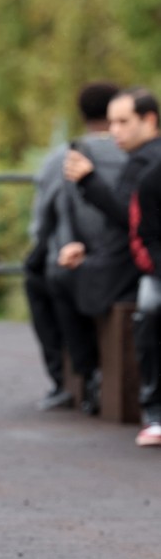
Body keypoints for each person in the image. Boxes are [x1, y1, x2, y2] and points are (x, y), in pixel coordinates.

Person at [58, 88, 161, 413]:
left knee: (59, 278)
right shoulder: (142, 157)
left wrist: (88, 180)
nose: (113, 129)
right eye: (112, 121)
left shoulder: (150, 161)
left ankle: (90, 375)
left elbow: (127, 218)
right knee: (59, 272)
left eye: (123, 121)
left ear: (149, 120)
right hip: (134, 259)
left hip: (143, 264)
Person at [25, 82, 123, 411]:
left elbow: (41, 222)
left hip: (79, 260)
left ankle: (67, 379)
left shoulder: (63, 157)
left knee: (41, 279)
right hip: (125, 256)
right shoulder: (136, 152)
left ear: (82, 114)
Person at [129, 157, 161, 446]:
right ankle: (154, 409)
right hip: (157, 270)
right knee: (150, 308)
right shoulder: (152, 178)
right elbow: (145, 237)